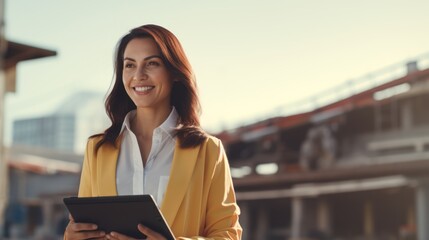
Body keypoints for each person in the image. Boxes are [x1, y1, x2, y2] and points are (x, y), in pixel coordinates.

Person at [64, 24, 242, 240]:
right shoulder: (98, 149)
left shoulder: (207, 151)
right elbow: (87, 227)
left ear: (174, 72)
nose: (138, 75)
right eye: (129, 65)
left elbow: (228, 234)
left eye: (152, 64)